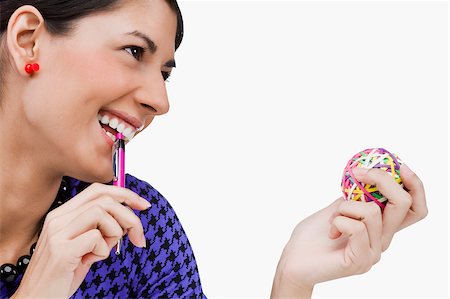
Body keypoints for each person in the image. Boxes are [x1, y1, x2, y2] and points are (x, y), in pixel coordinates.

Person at [0, 0, 428, 298]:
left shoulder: (136, 226)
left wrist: (291, 282)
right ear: (28, 40)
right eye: (134, 52)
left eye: (165, 74)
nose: (161, 102)